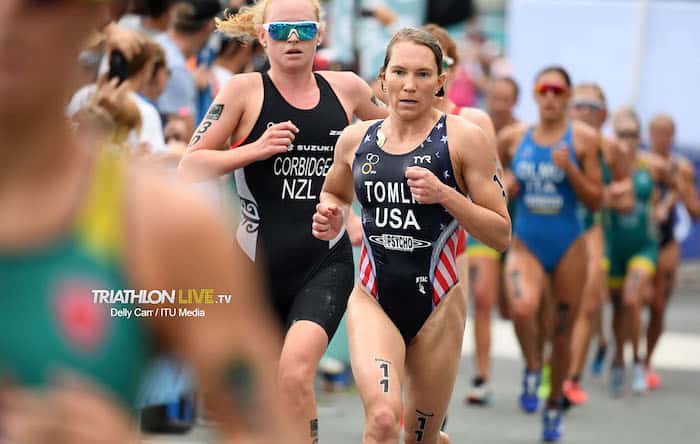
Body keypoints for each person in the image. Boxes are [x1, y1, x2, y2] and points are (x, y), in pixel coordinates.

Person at [0, 1, 291, 443]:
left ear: (98, 15)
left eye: (41, 4)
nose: (7, 22)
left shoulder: (163, 226)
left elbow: (268, 431)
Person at [178, 0, 387, 441]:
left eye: (304, 30)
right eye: (282, 30)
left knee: (294, 376)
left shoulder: (347, 88)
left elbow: (404, 137)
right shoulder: (242, 91)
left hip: (323, 262)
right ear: (262, 37)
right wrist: (255, 148)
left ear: (320, 35)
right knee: (255, 399)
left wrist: (355, 206)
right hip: (254, 266)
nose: (293, 39)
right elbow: (189, 166)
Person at [313, 28, 511, 444]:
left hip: (439, 305)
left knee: (418, 436)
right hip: (373, 298)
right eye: (399, 72)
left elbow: (500, 233)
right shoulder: (356, 139)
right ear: (382, 79)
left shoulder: (464, 138)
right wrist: (333, 213)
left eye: (422, 74)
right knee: (383, 420)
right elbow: (334, 191)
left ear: (441, 81)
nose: (409, 85)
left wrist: (445, 196)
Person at [498, 66, 602, 441]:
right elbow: (493, 182)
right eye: (545, 90)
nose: (552, 97)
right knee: (523, 308)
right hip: (527, 241)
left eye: (559, 91)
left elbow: (596, 199)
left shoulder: (585, 139)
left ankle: (554, 404)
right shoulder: (513, 138)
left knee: (561, 333)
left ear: (568, 96)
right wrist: (505, 187)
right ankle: (530, 367)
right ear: (536, 94)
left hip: (569, 245)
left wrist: (570, 169)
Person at [421, 23, 500, 406]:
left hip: (457, 246)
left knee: (445, 346)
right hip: (396, 249)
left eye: (439, 64)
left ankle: (472, 384)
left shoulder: (473, 121)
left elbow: (493, 187)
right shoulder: (389, 117)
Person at [563, 82, 627, 404]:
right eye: (579, 105)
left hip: (593, 230)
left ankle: (572, 378)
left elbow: (626, 189)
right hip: (556, 230)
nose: (585, 112)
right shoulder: (554, 139)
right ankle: (560, 362)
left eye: (593, 107)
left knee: (588, 304)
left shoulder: (611, 147)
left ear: (604, 114)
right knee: (558, 309)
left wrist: (614, 195)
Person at [644, 113, 700, 389]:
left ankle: (645, 361)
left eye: (667, 134)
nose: (661, 139)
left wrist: (676, 186)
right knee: (634, 299)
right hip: (639, 238)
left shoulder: (683, 167)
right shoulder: (639, 161)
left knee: (658, 306)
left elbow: (694, 211)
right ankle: (622, 351)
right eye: (657, 133)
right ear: (649, 134)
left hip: (667, 241)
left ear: (673, 136)